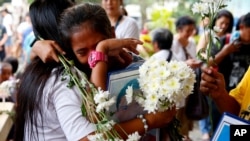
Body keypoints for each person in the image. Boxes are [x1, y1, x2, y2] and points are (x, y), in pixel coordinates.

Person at [14, 1, 176, 141]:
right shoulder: (65, 78)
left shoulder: (39, 69)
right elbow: (91, 136)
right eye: (82, 51)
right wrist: (149, 121)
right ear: (64, 43)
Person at [196, 9, 234, 140]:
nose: (224, 26)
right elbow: (202, 61)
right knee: (206, 106)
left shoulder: (230, 38)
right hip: (209, 77)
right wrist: (223, 52)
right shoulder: (207, 36)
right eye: (222, 22)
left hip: (225, 80)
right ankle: (206, 132)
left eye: (227, 24)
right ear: (215, 21)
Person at [171, 15, 201, 141]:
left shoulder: (192, 42)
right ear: (179, 29)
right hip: (175, 86)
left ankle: (186, 136)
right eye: (187, 30)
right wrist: (186, 64)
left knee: (186, 114)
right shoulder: (172, 43)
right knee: (176, 114)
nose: (190, 33)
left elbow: (192, 58)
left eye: (192, 30)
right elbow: (170, 64)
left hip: (188, 85)